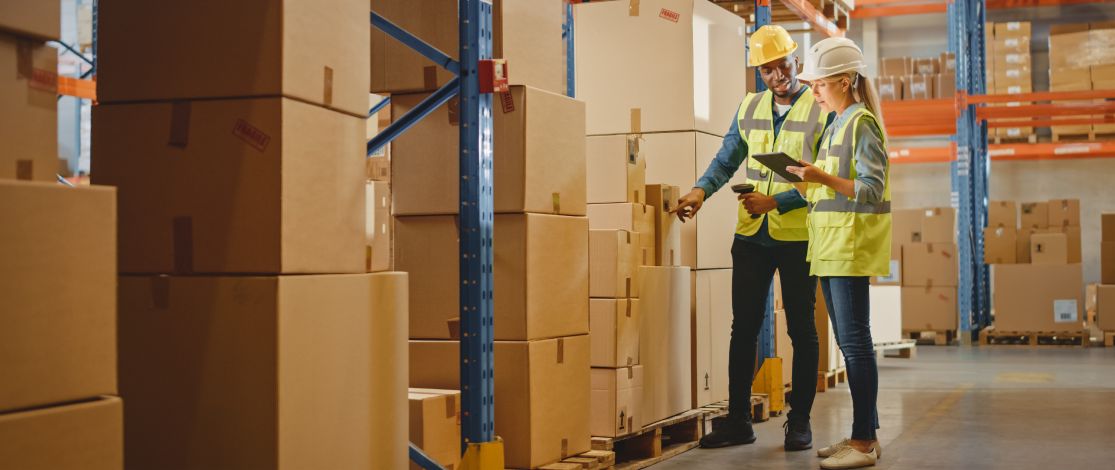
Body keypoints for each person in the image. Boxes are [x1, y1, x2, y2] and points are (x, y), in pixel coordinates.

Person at [676, 25, 833, 452]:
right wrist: (700, 191)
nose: (777, 74)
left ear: (795, 60)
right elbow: (728, 157)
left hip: (798, 235)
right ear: (759, 73)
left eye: (782, 63)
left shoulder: (821, 109)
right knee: (742, 327)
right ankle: (739, 421)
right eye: (767, 69)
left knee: (802, 331)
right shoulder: (750, 107)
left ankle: (799, 423)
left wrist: (777, 202)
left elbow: (825, 179)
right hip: (752, 235)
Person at [785, 37, 892, 470]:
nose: (813, 93)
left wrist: (822, 179)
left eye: (820, 85)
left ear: (845, 82)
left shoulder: (861, 123)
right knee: (851, 347)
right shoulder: (835, 124)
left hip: (849, 247)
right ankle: (860, 434)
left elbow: (870, 189)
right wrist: (803, 180)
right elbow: (829, 191)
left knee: (856, 346)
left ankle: (865, 442)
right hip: (829, 248)